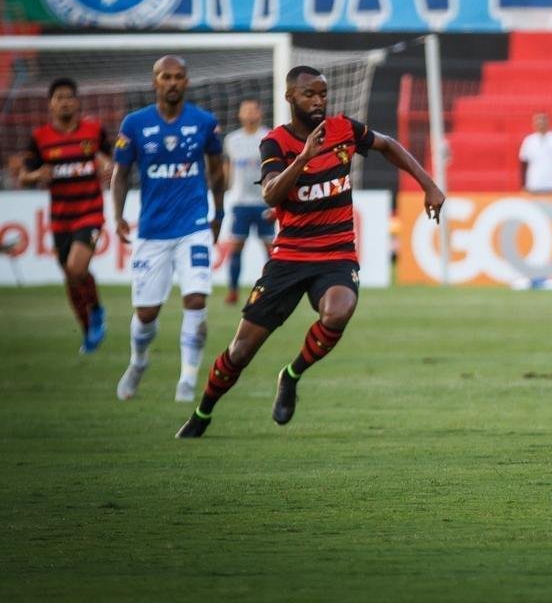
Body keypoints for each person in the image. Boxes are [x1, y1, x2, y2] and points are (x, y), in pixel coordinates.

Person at [176, 66, 445, 438]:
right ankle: (202, 414)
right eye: (309, 94)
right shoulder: (276, 143)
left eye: (322, 93)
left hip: (336, 253)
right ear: (290, 98)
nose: (318, 100)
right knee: (240, 351)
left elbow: (387, 145)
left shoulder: (344, 129)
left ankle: (291, 374)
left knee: (338, 311)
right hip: (289, 257)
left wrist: (428, 185)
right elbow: (271, 193)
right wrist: (303, 158)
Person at [112, 56, 225, 402]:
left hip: (193, 226)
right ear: (155, 82)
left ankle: (187, 380)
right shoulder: (134, 124)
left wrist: (218, 213)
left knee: (195, 299)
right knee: (146, 313)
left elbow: (217, 172)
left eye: (178, 77)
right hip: (152, 230)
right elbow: (120, 176)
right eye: (166, 77)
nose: (172, 82)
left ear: (187, 82)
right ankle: (138, 362)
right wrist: (117, 216)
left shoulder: (205, 122)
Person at [20, 78, 111, 352]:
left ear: (77, 101)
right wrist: (37, 174)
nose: (65, 102)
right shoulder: (40, 138)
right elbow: (24, 176)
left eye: (70, 97)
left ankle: (96, 311)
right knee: (71, 277)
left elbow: (111, 160)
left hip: (90, 212)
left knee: (75, 267)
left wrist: (107, 164)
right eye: (59, 97)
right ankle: (88, 330)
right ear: (51, 103)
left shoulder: (94, 131)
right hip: (60, 219)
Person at [223, 99, 274, 305]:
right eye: (246, 110)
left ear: (260, 113)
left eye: (254, 109)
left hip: (264, 201)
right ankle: (233, 291)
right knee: (236, 246)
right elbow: (227, 166)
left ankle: (270, 290)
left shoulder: (268, 136)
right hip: (240, 202)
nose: (250, 113)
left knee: (270, 249)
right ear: (240, 114)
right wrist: (228, 190)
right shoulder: (232, 139)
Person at [519, 112, 552, 193]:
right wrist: (523, 185)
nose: (540, 122)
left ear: (548, 122)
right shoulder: (529, 140)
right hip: (533, 185)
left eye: (543, 119)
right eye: (537, 120)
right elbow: (523, 165)